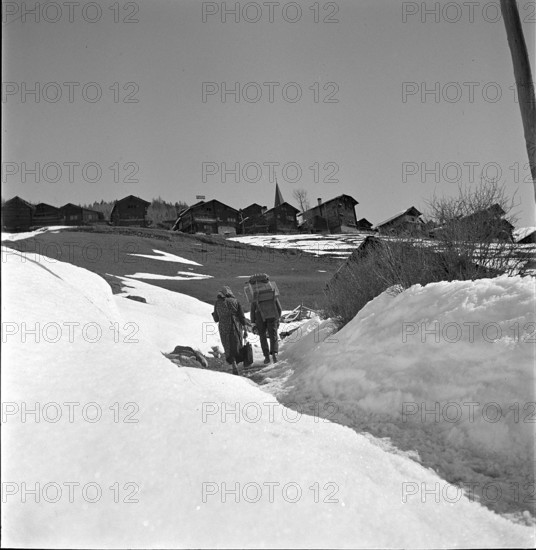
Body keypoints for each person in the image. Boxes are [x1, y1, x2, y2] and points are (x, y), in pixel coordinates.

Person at [212, 286, 247, 375]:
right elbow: (241, 316)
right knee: (236, 344)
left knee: (227, 345)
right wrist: (245, 327)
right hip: (235, 325)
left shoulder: (217, 303)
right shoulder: (235, 301)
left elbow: (216, 319)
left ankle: (233, 363)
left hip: (223, 326)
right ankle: (238, 362)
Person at [250, 282, 282, 364]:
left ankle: (267, 357)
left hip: (259, 316)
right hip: (272, 315)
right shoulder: (271, 293)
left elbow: (252, 310)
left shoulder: (255, 294)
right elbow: (279, 308)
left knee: (262, 336)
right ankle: (274, 355)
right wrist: (277, 318)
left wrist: (253, 322)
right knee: (273, 335)